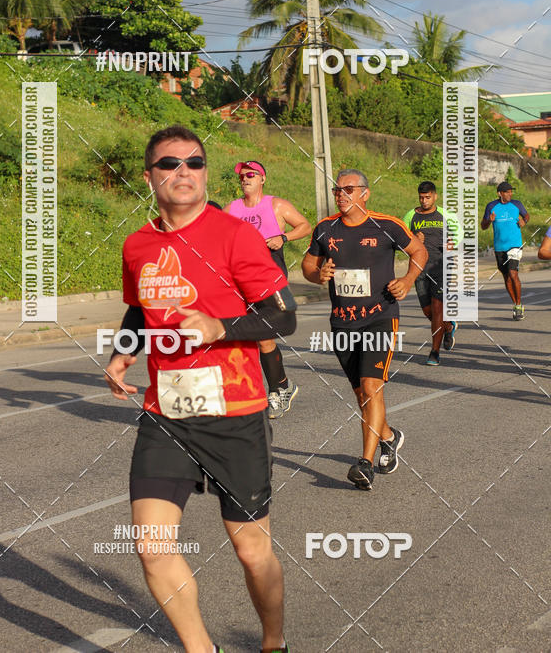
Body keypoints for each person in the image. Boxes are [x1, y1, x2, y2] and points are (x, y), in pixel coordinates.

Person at [104, 126, 296, 653]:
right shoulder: (138, 244)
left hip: (235, 412)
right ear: (150, 177)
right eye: (169, 164)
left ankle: (273, 642)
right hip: (166, 413)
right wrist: (125, 349)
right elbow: (140, 307)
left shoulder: (235, 235)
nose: (182, 171)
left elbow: (285, 319)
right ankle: (200, 649)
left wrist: (221, 328)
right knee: (151, 544)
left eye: (194, 162)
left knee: (252, 550)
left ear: (206, 173)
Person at [302, 169, 427, 491]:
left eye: (348, 189)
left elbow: (419, 251)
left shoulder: (386, 226)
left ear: (365, 194)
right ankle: (388, 436)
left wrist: (407, 281)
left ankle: (365, 464)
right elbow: (307, 266)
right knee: (361, 394)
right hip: (342, 321)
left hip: (380, 317)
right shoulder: (325, 229)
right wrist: (319, 275)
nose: (341, 194)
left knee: (371, 387)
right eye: (337, 190)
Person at [225, 160, 311, 419]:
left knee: (263, 337)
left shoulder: (277, 205)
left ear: (263, 179)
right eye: (241, 176)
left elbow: (305, 226)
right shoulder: (232, 209)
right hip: (240, 281)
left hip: (271, 281)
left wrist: (283, 238)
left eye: (250, 175)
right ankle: (272, 387)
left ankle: (279, 389)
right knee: (242, 338)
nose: (245, 179)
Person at [403, 181, 459, 366]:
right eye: (421, 197)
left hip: (441, 268)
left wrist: (452, 245)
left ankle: (434, 352)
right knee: (428, 312)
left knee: (437, 309)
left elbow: (459, 236)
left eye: (428, 197)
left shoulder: (446, 215)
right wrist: (413, 239)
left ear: (435, 196)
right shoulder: (411, 216)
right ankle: (449, 326)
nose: (424, 200)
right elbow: (401, 243)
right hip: (419, 269)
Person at [481, 181, 529, 319]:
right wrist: (489, 220)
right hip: (499, 247)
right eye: (507, 192)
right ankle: (515, 304)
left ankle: (519, 305)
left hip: (515, 245)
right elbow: (483, 226)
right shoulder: (491, 206)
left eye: (510, 191)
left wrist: (524, 221)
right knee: (507, 277)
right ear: (499, 193)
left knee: (513, 274)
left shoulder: (516, 204)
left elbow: (526, 215)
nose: (510, 194)